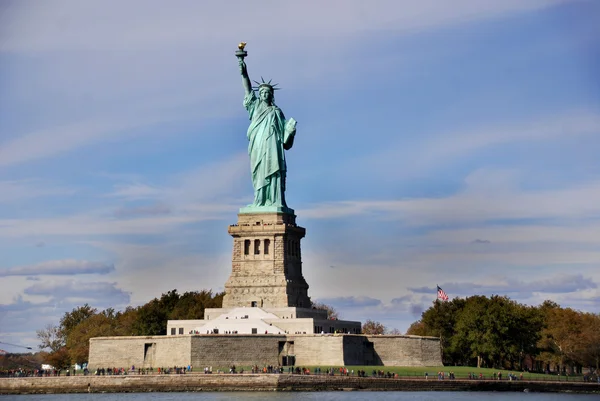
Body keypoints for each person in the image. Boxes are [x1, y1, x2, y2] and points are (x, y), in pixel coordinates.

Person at [238, 57, 297, 210]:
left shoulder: (277, 112)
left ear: (271, 95)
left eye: (267, 92)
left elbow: (285, 138)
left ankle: (274, 200)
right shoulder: (255, 106)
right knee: (259, 172)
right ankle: (260, 200)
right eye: (262, 92)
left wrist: (290, 131)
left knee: (274, 170)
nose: (264, 94)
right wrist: (244, 73)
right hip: (258, 145)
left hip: (273, 146)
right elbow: (248, 89)